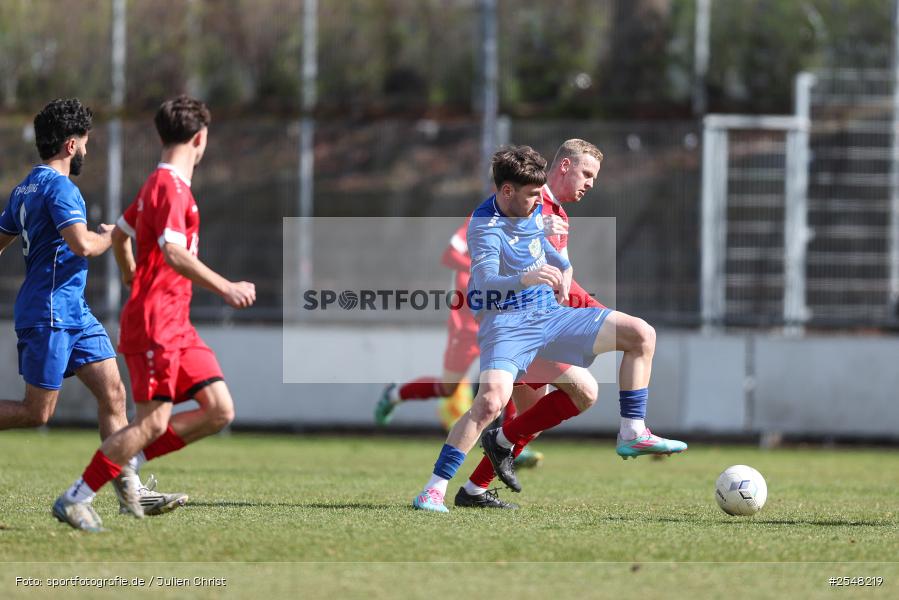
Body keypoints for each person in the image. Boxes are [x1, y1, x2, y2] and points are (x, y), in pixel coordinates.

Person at [411, 145, 686, 513]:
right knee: (491, 401)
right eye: (534, 196)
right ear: (507, 192)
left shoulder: (535, 212)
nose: (542, 202)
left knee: (637, 336)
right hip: (506, 325)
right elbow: (485, 284)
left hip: (550, 318)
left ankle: (632, 432)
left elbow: (554, 257)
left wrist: (563, 272)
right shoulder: (484, 226)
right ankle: (434, 489)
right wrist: (527, 277)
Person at [51, 95, 256, 531]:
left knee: (218, 409)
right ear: (199, 139)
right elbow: (173, 252)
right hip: (157, 321)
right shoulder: (167, 187)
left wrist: (131, 278)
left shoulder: (157, 186)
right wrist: (227, 287)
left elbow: (121, 236)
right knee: (153, 420)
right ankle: (77, 497)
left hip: (175, 322)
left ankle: (129, 462)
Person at [0, 98, 181, 517]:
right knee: (36, 412)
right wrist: (112, 237)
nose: (86, 150)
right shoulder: (61, 188)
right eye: (84, 142)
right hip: (50, 310)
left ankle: (130, 492)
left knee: (113, 393)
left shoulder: (25, 187)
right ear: (69, 145)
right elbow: (81, 243)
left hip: (72, 310)